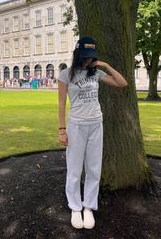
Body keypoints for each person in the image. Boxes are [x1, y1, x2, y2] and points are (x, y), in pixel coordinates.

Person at [58, 37, 127, 230]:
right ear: (77, 54)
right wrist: (62, 130)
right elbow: (62, 104)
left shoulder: (97, 72)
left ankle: (88, 207)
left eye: (92, 57)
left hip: (96, 124)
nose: (89, 61)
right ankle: (75, 207)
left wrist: (105, 64)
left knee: (94, 169)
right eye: (86, 57)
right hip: (76, 125)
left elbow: (122, 83)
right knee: (74, 169)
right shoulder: (65, 75)